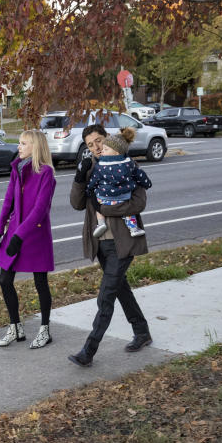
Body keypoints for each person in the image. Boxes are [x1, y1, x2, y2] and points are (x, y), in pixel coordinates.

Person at [68, 124, 152, 367]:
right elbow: (76, 203)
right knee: (119, 288)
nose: (95, 147)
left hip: (123, 241)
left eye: (98, 141)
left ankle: (88, 351)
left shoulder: (125, 164)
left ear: (108, 139)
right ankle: (142, 332)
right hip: (101, 243)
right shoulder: (91, 168)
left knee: (105, 297)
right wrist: (78, 176)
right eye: (90, 144)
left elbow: (138, 202)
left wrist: (106, 209)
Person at [0, 130, 56, 349]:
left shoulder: (46, 173)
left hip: (35, 234)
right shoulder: (16, 169)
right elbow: (8, 199)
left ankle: (45, 329)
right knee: (4, 280)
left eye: (23, 143)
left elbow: (40, 209)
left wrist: (20, 235)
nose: (18, 147)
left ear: (35, 147)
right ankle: (15, 328)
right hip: (15, 231)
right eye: (19, 143)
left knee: (40, 282)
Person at [87, 127, 152, 238]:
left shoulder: (100, 166)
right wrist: (147, 183)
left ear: (116, 151)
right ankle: (133, 228)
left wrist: (89, 189)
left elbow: (94, 180)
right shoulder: (129, 163)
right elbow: (140, 175)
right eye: (90, 144)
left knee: (97, 205)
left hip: (105, 198)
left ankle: (101, 223)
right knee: (129, 213)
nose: (101, 150)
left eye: (105, 149)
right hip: (124, 197)